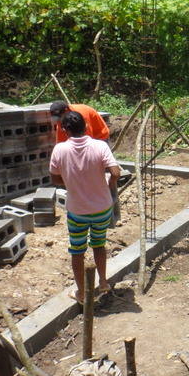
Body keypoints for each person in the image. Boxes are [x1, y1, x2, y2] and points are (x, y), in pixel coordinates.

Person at [49, 111, 120, 304]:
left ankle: (81, 293)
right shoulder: (99, 146)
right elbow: (115, 171)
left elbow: (54, 177)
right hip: (102, 208)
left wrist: (70, 184)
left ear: (64, 130)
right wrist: (109, 186)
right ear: (86, 127)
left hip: (77, 210)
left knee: (77, 251)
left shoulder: (60, 150)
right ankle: (103, 282)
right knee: (99, 244)